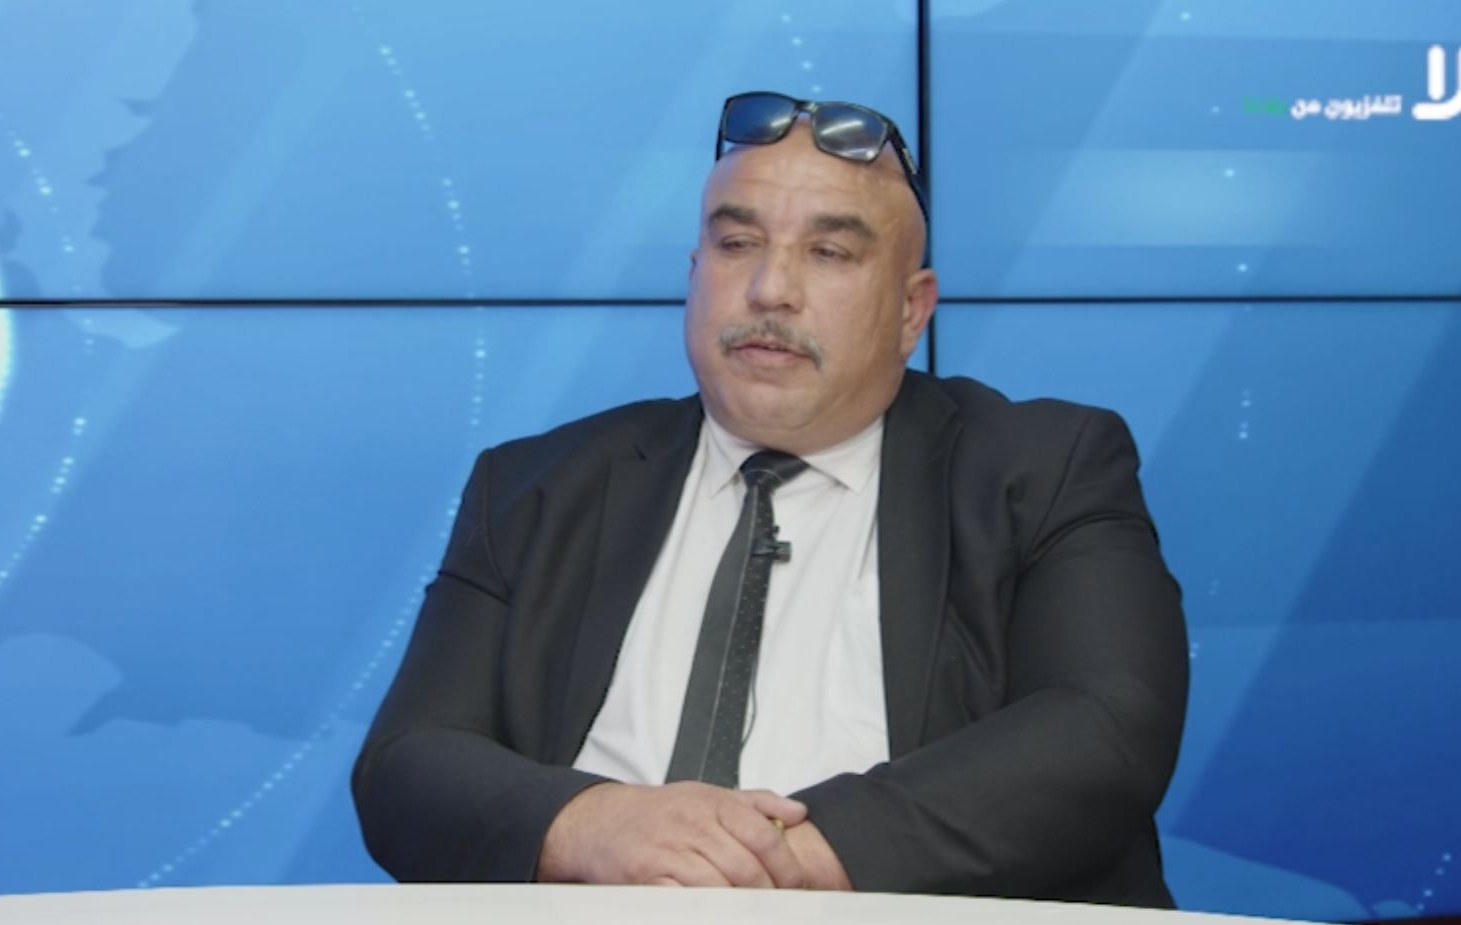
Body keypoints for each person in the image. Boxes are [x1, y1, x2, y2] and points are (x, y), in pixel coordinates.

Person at [352, 91, 1188, 906]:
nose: (770, 288)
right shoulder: (536, 484)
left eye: (829, 252)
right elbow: (407, 760)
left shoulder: (1043, 466)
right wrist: (593, 823)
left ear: (912, 310)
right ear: (695, 275)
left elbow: (1105, 725)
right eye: (737, 243)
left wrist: (779, 866)